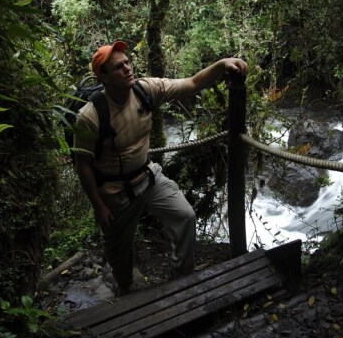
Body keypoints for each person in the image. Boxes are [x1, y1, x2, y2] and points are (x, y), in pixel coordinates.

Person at [73, 40, 248, 295]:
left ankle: (182, 277)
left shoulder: (146, 90)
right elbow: (83, 165)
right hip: (114, 192)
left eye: (127, 62)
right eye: (118, 67)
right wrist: (98, 206)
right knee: (118, 251)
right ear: (103, 76)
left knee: (185, 216)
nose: (127, 68)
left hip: (148, 176)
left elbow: (192, 83)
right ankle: (125, 288)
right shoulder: (90, 116)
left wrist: (222, 65)